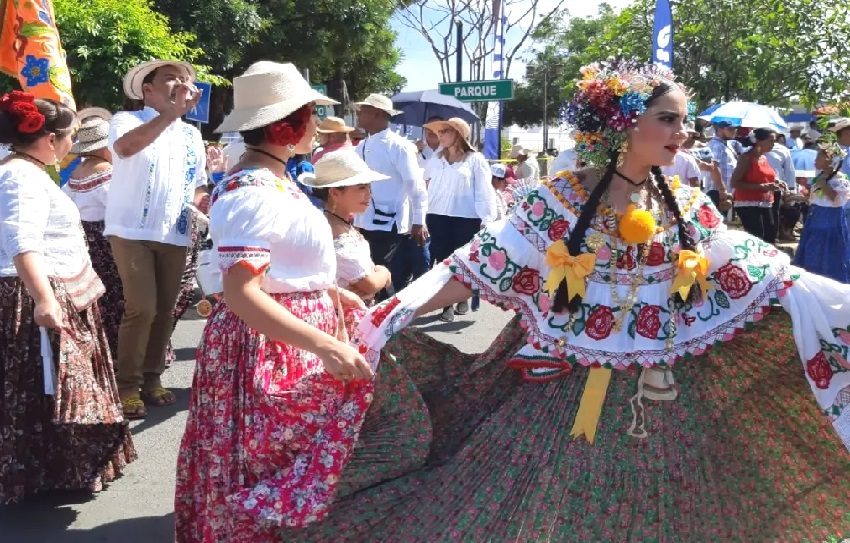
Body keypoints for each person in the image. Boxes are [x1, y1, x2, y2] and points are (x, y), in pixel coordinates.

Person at [286, 61, 850, 541]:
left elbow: (762, 272)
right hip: (566, 388)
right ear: (624, 124)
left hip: (672, 391)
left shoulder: (687, 202)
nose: (684, 131)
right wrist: (391, 313)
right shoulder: (559, 199)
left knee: (673, 498)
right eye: (669, 118)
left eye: (684, 119)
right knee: (545, 496)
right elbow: (477, 266)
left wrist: (836, 304)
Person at [174, 61, 373, 543]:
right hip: (269, 343)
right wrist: (325, 344)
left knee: (290, 457)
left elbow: (284, 268)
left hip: (287, 333)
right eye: (311, 114)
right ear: (290, 125)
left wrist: (329, 290)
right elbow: (243, 294)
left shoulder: (276, 182)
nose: (318, 125)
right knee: (272, 457)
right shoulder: (254, 192)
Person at [0, 91, 135, 503]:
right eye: (67, 137)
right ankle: (42, 474)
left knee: (46, 391)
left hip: (53, 286)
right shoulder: (20, 176)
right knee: (40, 388)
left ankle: (51, 471)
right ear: (48, 140)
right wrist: (43, 299)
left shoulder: (26, 171)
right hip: (36, 289)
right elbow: (23, 243)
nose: (68, 145)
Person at [106, 59, 208, 418]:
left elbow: (197, 186)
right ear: (147, 90)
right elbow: (126, 148)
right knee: (142, 307)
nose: (180, 84)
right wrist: (169, 114)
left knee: (165, 311)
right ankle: (127, 386)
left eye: (185, 80)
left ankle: (152, 379)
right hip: (130, 230)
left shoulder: (192, 134)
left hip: (175, 233)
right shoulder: (125, 120)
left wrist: (203, 206)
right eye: (170, 79)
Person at [422, 117, 498, 321]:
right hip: (437, 216)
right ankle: (446, 304)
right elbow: (425, 186)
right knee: (441, 260)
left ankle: (462, 296)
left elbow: (484, 191)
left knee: (463, 260)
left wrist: (487, 219)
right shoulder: (435, 159)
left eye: (445, 131)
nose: (441, 135)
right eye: (440, 132)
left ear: (457, 133)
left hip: (466, 218)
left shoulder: (475, 159)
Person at [353, 93, 429, 297]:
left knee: (387, 275)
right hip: (364, 221)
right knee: (369, 273)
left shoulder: (399, 146)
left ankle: (389, 319)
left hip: (389, 223)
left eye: (363, 111)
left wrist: (419, 220)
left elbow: (415, 184)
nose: (358, 115)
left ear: (377, 114)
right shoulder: (361, 145)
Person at [63, 116, 123, 359]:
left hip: (84, 242)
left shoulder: (77, 172)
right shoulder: (107, 174)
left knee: (96, 298)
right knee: (117, 297)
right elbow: (117, 209)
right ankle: (119, 354)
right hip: (108, 242)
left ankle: (99, 352)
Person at [306, 150, 392, 301]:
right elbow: (370, 284)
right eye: (361, 188)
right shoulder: (335, 232)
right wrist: (384, 272)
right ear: (335, 193)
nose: (369, 194)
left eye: (368, 187)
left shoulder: (341, 223)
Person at [793, 142, 850, 283]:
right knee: (813, 248)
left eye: (819, 156)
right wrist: (794, 196)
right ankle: (812, 279)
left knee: (827, 250)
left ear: (830, 160)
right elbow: (815, 199)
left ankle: (829, 279)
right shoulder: (819, 177)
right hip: (815, 217)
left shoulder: (839, 179)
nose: (815, 159)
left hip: (830, 219)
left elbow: (835, 199)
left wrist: (824, 182)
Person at [729, 127, 780, 243]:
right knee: (758, 237)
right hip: (748, 204)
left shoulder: (763, 157)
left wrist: (777, 182)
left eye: (774, 141)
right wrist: (762, 187)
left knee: (770, 235)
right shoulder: (746, 157)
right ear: (758, 141)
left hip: (765, 202)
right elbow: (734, 182)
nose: (773, 144)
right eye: (770, 141)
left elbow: (762, 177)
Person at [764, 133, 798, 240]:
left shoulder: (782, 150)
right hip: (757, 187)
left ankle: (775, 237)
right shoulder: (750, 150)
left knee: (775, 213)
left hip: (776, 188)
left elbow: (789, 170)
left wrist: (791, 189)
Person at [707, 120, 739, 208]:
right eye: (730, 129)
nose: (734, 131)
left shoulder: (726, 145)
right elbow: (714, 168)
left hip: (725, 192)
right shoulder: (716, 146)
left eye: (735, 128)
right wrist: (722, 190)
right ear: (720, 129)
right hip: (717, 192)